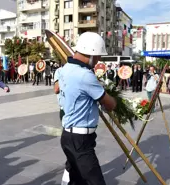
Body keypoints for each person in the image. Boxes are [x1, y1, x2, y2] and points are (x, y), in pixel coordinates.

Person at [58, 32, 117, 184]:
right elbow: (110, 104)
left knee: (77, 181)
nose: (98, 61)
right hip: (80, 140)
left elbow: (58, 88)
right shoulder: (85, 75)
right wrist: (112, 98)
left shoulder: (66, 68)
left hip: (68, 136)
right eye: (97, 56)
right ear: (90, 53)